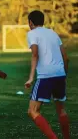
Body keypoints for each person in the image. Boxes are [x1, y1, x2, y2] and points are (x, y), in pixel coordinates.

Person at [25, 10, 70, 139]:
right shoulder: (53, 33)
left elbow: (35, 54)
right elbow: (65, 57)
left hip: (46, 76)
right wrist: (63, 75)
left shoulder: (32, 33)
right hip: (60, 74)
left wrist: (31, 78)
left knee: (33, 111)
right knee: (61, 109)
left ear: (30, 22)